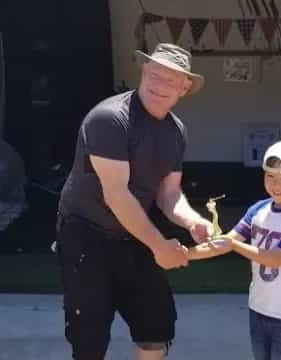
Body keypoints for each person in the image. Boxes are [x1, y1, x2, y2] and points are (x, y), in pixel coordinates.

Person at [56, 43, 214, 360]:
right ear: (143, 71)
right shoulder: (110, 119)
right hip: (85, 232)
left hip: (132, 232)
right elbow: (117, 194)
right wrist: (159, 246)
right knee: (88, 334)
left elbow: (168, 194)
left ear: (184, 88)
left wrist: (191, 219)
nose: (159, 85)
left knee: (156, 321)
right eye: (155, 74)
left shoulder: (175, 131)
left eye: (171, 80)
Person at [215, 139, 281, 360]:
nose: (276, 185)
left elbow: (275, 259)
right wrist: (187, 252)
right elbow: (226, 241)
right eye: (270, 176)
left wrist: (232, 244)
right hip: (258, 307)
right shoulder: (258, 209)